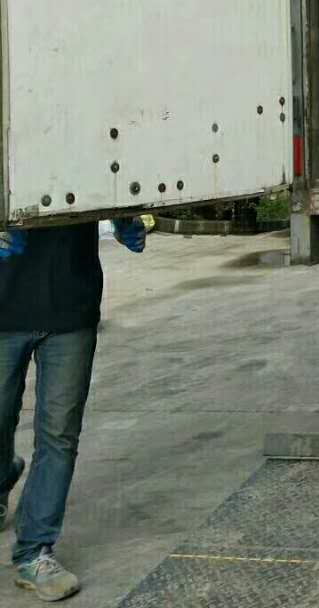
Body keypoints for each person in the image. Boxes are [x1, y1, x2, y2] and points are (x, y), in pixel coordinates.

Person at [0, 218, 146, 602]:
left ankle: (34, 551)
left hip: (70, 302)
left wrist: (124, 215)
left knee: (59, 435)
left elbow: (108, 183)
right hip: (3, 304)